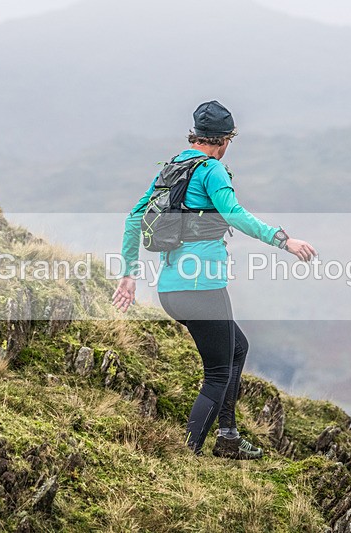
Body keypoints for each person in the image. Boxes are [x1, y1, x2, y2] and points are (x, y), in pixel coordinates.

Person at [112, 100, 316, 459]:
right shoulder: (211, 171)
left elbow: (133, 219)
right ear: (224, 140)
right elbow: (234, 214)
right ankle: (188, 455)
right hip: (202, 287)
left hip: (171, 289)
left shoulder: (173, 167)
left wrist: (129, 274)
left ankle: (228, 435)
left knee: (237, 348)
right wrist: (284, 240)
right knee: (217, 374)